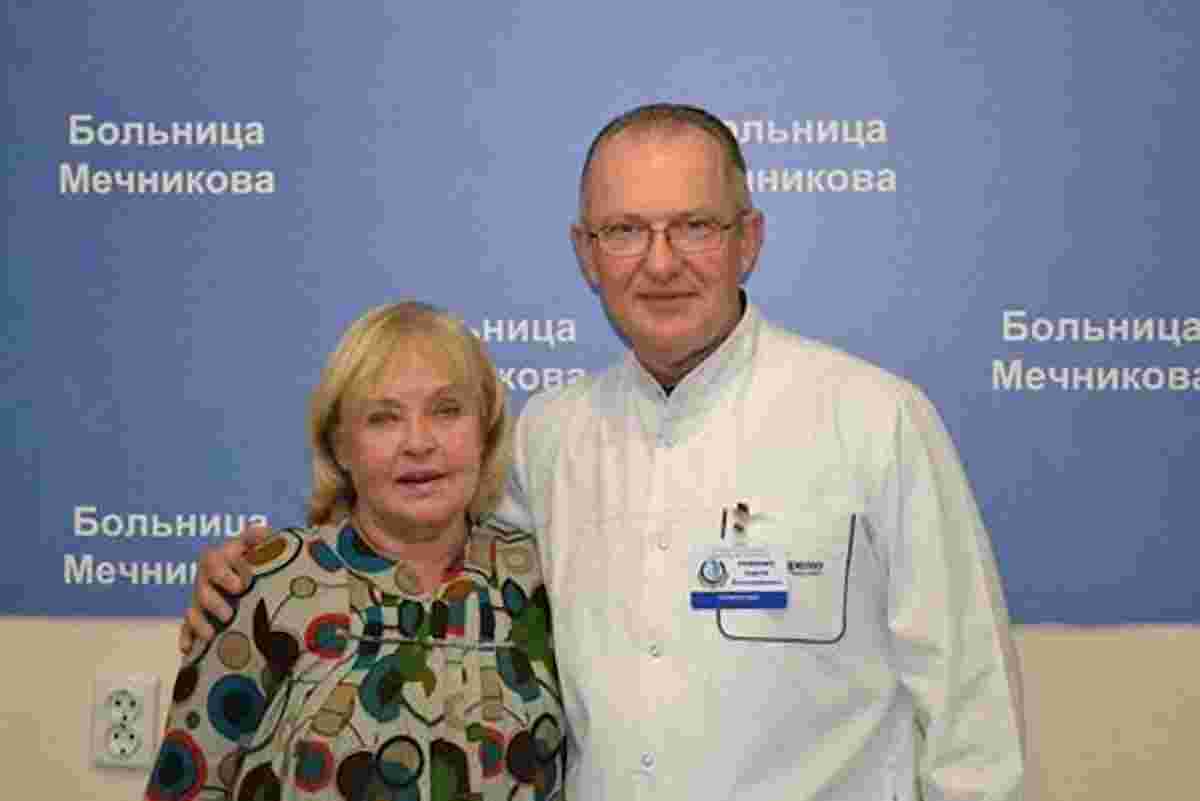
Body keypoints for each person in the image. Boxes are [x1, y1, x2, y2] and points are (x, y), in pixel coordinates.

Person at [183, 104, 1027, 800]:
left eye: (694, 226)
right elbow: (416, 547)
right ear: (586, 255)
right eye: (624, 230)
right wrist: (254, 578)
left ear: (750, 239)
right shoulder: (549, 435)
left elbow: (973, 721)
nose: (660, 262)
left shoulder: (875, 420)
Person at [149, 302, 564, 801]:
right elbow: (188, 783)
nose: (418, 442)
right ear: (341, 446)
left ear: (486, 431)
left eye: (446, 410)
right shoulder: (267, 583)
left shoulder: (541, 578)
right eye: (384, 418)